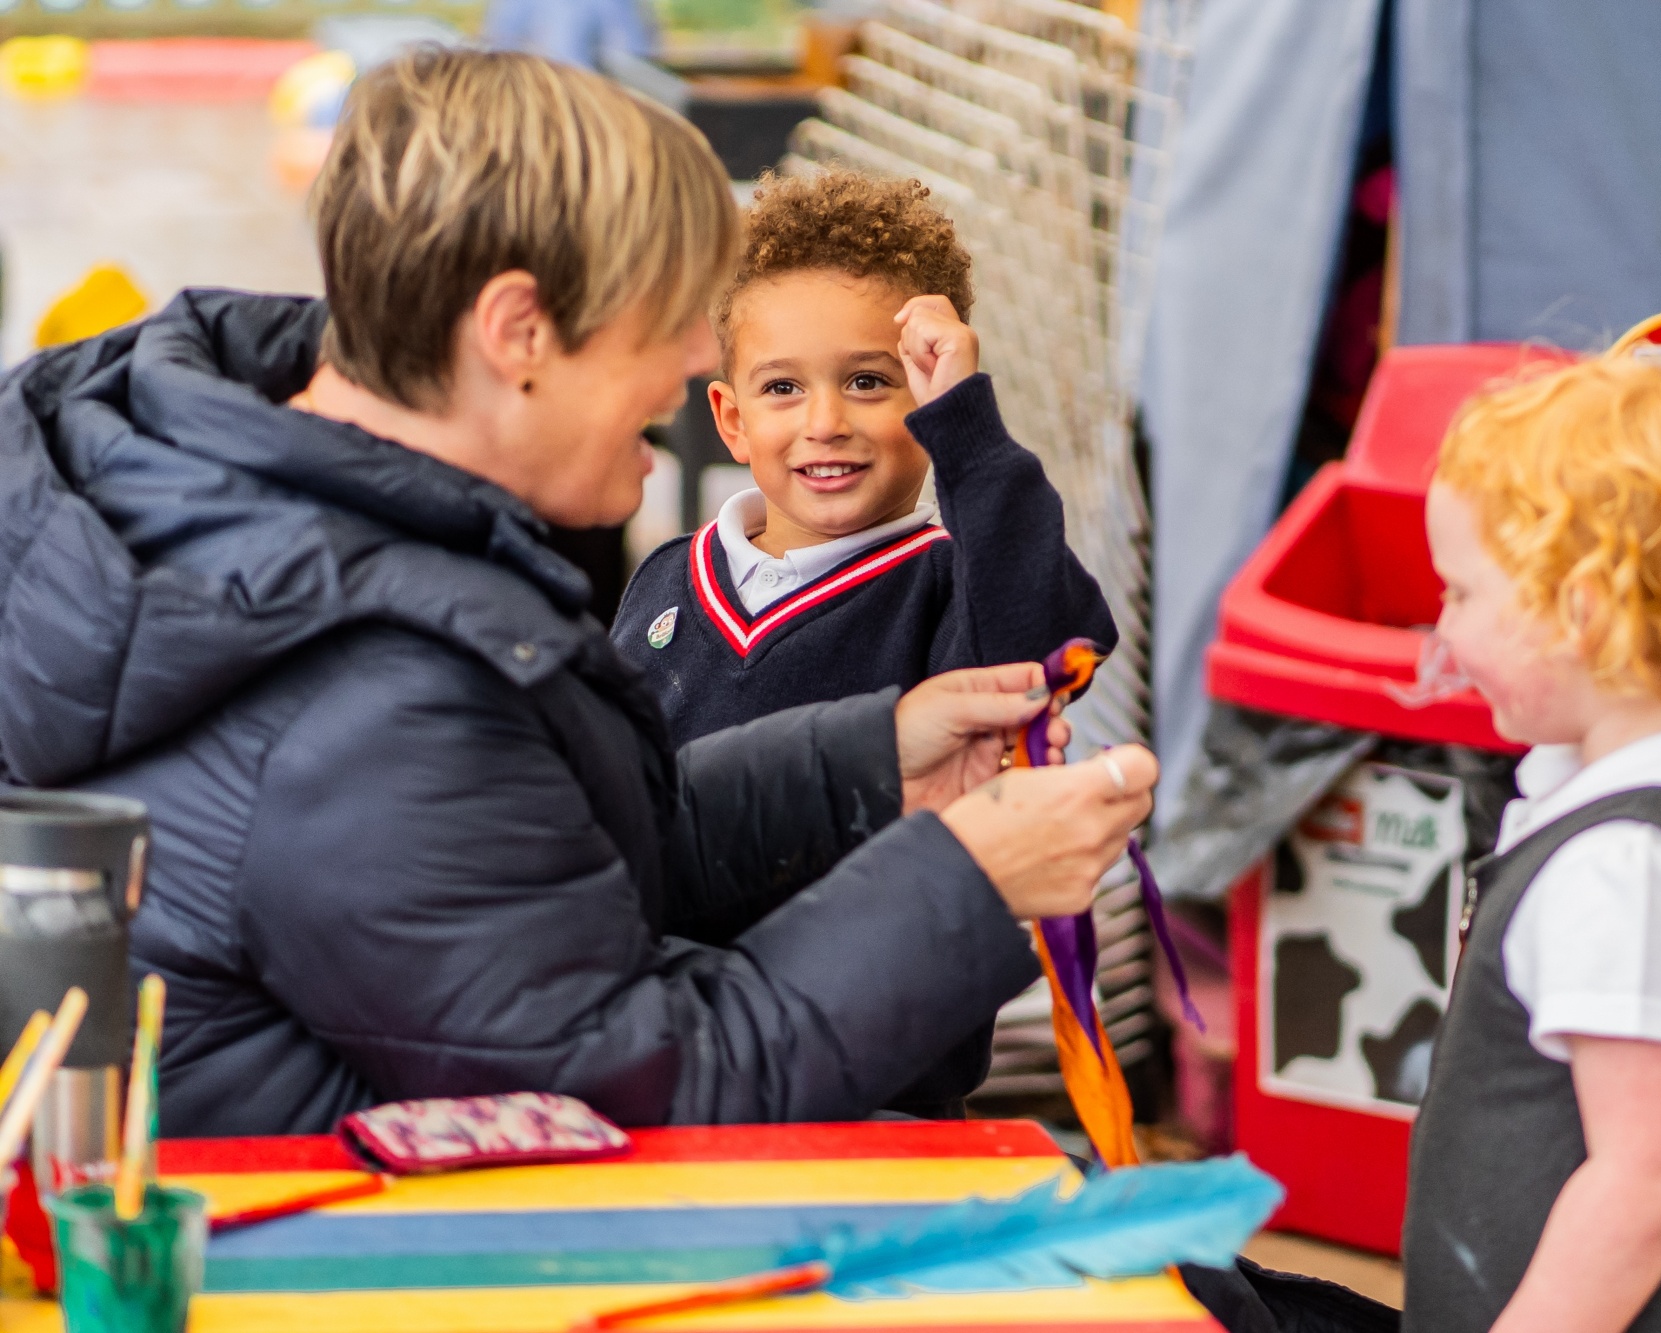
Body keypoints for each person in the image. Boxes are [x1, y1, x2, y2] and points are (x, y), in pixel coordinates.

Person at [0, 48, 1157, 1138]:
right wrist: (967, 879)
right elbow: (647, 1080)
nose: (694, 374)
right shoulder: (378, 685)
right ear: (518, 334)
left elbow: (544, 843)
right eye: (664, 331)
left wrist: (865, 760)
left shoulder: (255, 505)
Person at [1401, 358, 1661, 1331]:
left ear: (1575, 610)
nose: (1442, 629)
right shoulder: (1653, 808)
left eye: (1460, 593)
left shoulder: (1623, 866)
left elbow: (1648, 1175)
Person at [610, 169, 1118, 745]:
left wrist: (964, 425)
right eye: (783, 388)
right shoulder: (666, 578)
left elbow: (1054, 646)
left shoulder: (954, 586)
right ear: (733, 421)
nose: (825, 424)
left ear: (931, 404)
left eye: (867, 381)